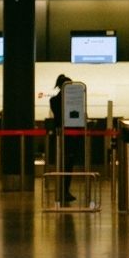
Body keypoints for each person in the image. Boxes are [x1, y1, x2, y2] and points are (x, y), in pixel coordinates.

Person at [49, 74, 80, 202]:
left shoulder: (54, 100)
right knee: (67, 164)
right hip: (67, 136)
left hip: (62, 136)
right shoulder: (65, 101)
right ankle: (64, 191)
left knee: (64, 164)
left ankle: (64, 190)